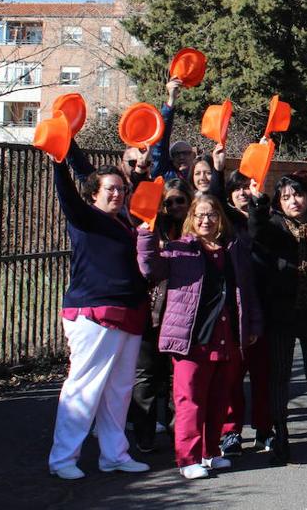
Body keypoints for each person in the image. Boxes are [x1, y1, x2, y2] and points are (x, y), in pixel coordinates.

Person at [137, 193, 263, 480]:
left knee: (219, 399)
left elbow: (248, 290)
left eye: (212, 214)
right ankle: (188, 458)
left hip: (226, 335)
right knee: (189, 400)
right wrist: (145, 236)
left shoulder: (233, 250)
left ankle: (210, 452)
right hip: (191, 338)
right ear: (191, 220)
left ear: (221, 218)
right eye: (200, 215)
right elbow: (149, 270)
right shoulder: (178, 250)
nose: (206, 220)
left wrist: (253, 325)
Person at [46, 161, 152, 480]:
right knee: (84, 387)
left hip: (129, 313)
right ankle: (63, 458)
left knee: (118, 390)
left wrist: (140, 172)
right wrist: (59, 162)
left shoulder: (123, 222)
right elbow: (66, 193)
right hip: (94, 313)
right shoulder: (85, 217)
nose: (118, 194)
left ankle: (114, 454)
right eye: (111, 188)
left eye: (122, 189)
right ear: (94, 193)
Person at [249, 172, 307, 466]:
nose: (293, 201)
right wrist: (257, 206)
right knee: (280, 378)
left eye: (297, 194)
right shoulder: (274, 225)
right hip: (281, 314)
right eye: (285, 197)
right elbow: (256, 230)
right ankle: (282, 438)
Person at [127, 177, 193, 454]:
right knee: (147, 376)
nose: (176, 205)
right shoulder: (154, 228)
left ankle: (180, 432)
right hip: (154, 312)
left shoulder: (196, 227)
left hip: (185, 314)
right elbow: (146, 265)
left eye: (180, 200)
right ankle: (145, 434)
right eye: (170, 202)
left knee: (181, 375)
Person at [218, 171, 272, 456]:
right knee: (232, 378)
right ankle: (230, 432)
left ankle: (265, 430)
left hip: (263, 306)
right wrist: (216, 170)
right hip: (233, 310)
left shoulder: (265, 217)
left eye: (246, 188)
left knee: (263, 376)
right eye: (236, 189)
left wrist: (258, 203)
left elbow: (258, 223)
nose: (242, 193)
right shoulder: (223, 224)